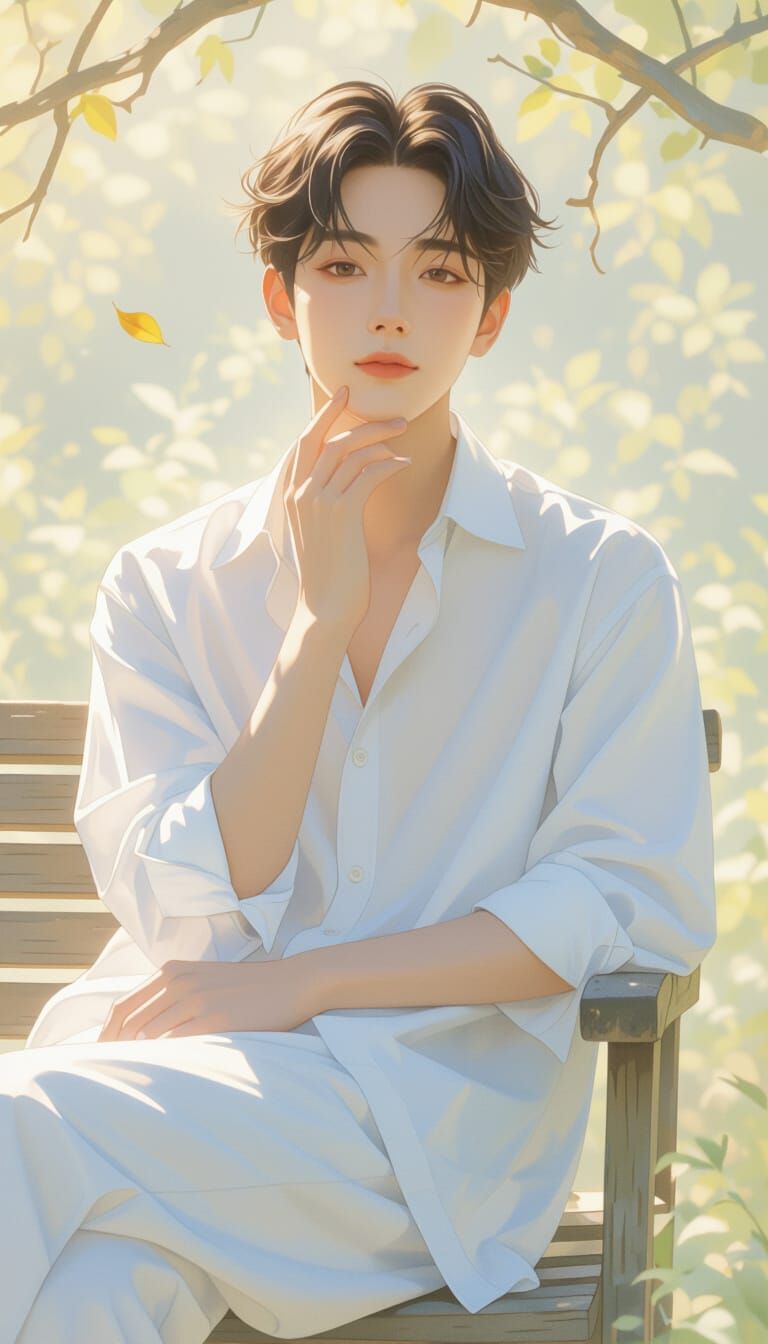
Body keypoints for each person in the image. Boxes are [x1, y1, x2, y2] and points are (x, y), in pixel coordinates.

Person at [2, 77, 717, 1343]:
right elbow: (192, 910)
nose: (390, 310)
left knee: (18, 1123)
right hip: (168, 1095)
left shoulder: (599, 579)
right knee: (87, 1300)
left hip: (428, 1133)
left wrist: (307, 985)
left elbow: (624, 900)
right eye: (344, 263)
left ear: (490, 316)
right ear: (286, 298)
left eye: (439, 273)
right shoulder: (168, 586)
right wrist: (315, 624)